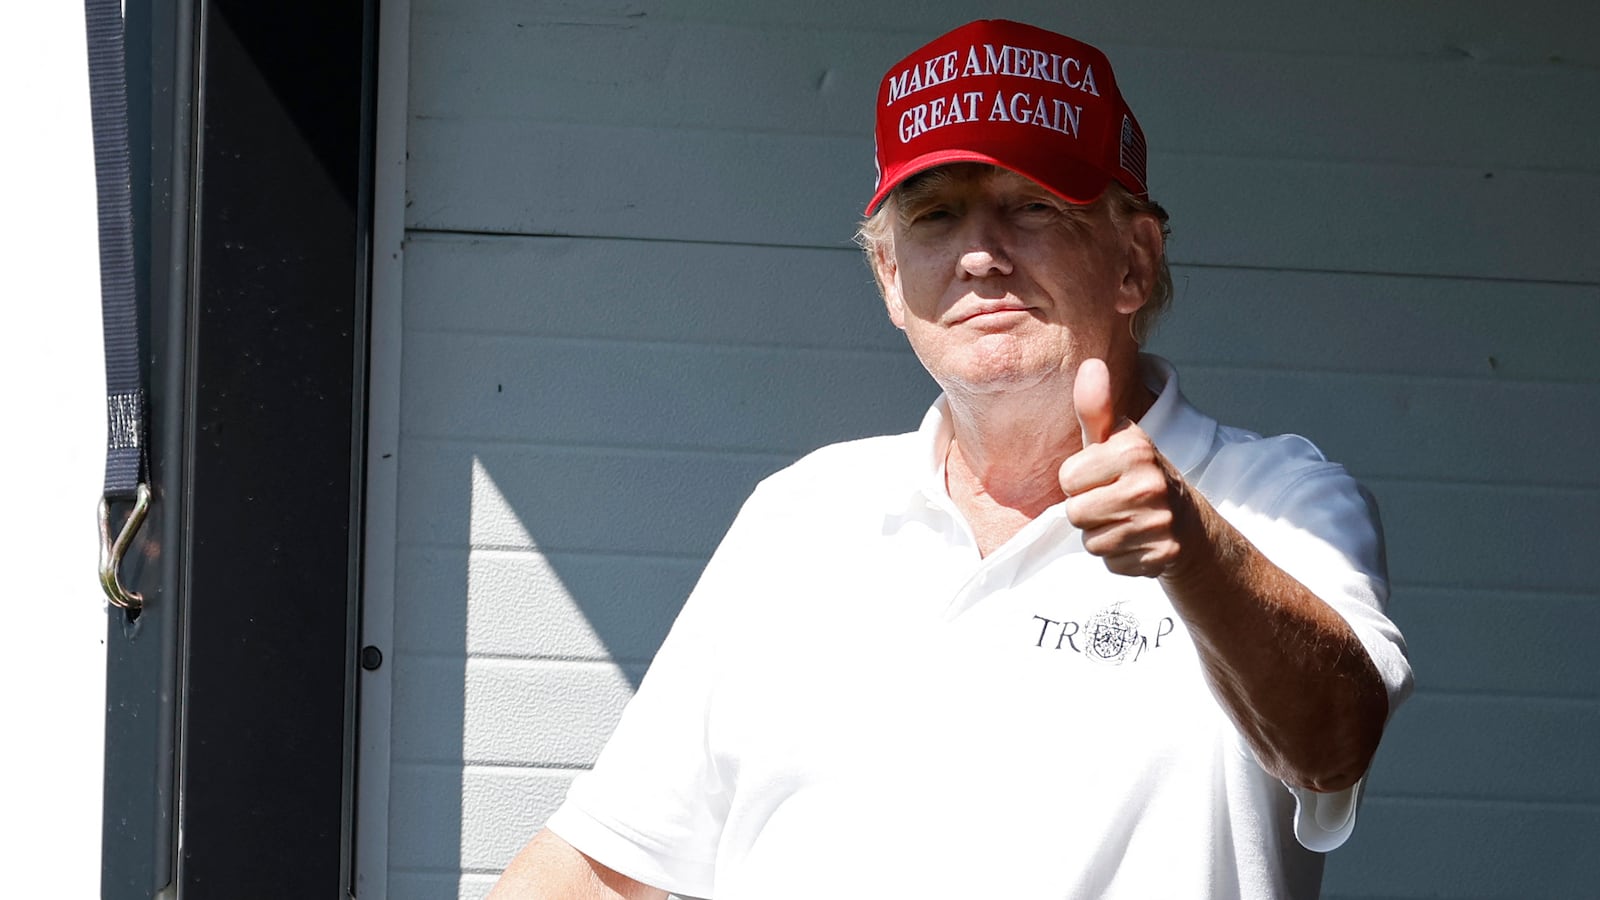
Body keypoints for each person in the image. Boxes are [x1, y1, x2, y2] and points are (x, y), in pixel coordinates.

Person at [489, 18, 1411, 900]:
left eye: (1031, 207)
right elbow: (605, 865)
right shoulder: (800, 514)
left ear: (1134, 259)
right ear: (891, 280)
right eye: (934, 216)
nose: (978, 255)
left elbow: (1332, 746)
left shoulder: (1271, 501)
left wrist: (1194, 550)